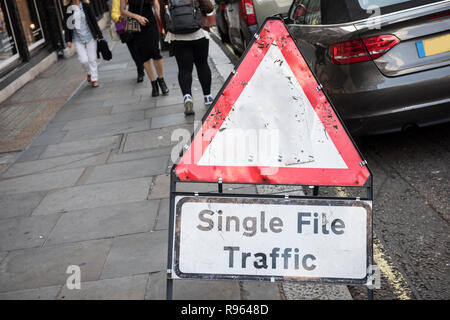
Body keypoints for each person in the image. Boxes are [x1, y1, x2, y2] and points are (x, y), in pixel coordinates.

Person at [120, 0, 169, 97]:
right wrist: (137, 17)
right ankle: (153, 84)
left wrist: (162, 23)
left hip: (150, 21)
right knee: (144, 55)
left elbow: (156, 5)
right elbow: (122, 11)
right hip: (134, 22)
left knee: (155, 53)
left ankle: (161, 80)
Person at [63, 0, 104, 87]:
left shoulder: (86, 6)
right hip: (78, 38)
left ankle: (94, 79)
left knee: (92, 59)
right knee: (83, 60)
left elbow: (93, 21)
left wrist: (100, 35)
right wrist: (68, 40)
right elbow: (67, 26)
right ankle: (89, 72)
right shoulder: (69, 9)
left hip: (90, 36)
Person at [111, 0, 144, 82]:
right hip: (126, 26)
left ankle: (141, 68)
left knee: (140, 49)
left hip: (140, 22)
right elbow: (114, 14)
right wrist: (120, 17)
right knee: (134, 51)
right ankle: (140, 70)